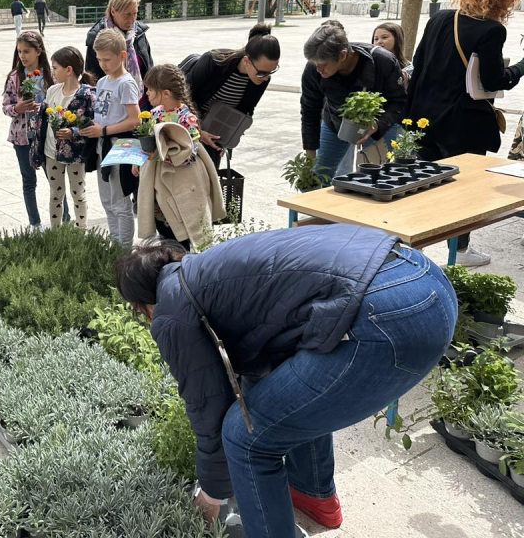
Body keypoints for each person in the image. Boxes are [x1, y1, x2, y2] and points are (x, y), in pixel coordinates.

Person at [115, 225, 457, 538]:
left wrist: (212, 492)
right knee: (288, 404)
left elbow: (208, 407)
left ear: (140, 304)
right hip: (425, 279)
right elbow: (260, 371)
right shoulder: (205, 269)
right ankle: (313, 498)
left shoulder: (172, 310)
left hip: (390, 315)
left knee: (244, 438)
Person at [406, 0, 524, 266]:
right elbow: (496, 80)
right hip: (462, 122)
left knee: (424, 182)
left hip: (424, 117)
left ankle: (413, 247)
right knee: (462, 190)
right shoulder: (492, 30)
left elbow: (418, 65)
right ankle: (458, 251)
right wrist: (521, 67)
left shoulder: (440, 18)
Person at [301, 22, 406, 182]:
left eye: (323, 65)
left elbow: (398, 101)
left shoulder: (382, 61)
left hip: (377, 124)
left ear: (343, 55)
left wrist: (378, 125)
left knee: (375, 180)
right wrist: (310, 156)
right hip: (335, 123)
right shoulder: (313, 69)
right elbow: (310, 110)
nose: (318, 70)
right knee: (316, 177)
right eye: (315, 64)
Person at [136, 64, 224, 248]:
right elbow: (149, 143)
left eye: (151, 90)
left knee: (183, 237)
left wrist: (160, 155)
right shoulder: (155, 114)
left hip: (183, 184)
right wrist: (140, 159)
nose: (147, 94)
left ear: (166, 93)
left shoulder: (186, 118)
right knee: (165, 236)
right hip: (160, 186)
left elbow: (189, 154)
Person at [185, 24, 280, 165]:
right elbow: (183, 97)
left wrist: (227, 138)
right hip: (186, 129)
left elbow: (245, 111)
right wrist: (197, 132)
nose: (265, 78)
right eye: (261, 72)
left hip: (214, 135)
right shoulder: (213, 61)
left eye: (271, 71)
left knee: (210, 182)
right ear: (247, 61)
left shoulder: (260, 81)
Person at [79, 29, 140, 247]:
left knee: (120, 202)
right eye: (99, 59)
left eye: (107, 59)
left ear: (122, 56)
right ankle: (114, 244)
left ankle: (124, 249)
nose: (103, 63)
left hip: (122, 146)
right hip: (102, 146)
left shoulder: (126, 83)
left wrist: (104, 131)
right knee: (107, 200)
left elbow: (135, 120)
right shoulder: (103, 82)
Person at [33, 46, 96, 229]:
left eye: (55, 68)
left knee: (78, 192)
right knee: (55, 193)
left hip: (75, 154)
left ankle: (81, 230)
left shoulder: (87, 95)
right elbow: (41, 123)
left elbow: (93, 124)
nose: (52, 72)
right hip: (51, 152)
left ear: (69, 70)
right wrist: (37, 151)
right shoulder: (52, 90)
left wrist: (74, 133)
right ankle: (55, 232)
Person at [2, 31, 53, 230]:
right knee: (28, 180)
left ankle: (63, 219)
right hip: (22, 136)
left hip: (46, 135)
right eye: (19, 52)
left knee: (55, 179)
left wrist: (46, 107)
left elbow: (59, 103)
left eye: (27, 51)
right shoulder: (15, 76)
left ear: (38, 51)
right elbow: (6, 106)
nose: (22, 56)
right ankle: (35, 224)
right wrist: (17, 108)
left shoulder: (50, 75)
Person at [84, 0, 154, 109]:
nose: (132, 20)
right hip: (114, 107)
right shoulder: (96, 37)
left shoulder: (139, 34)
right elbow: (92, 79)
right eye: (127, 15)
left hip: (143, 103)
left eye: (135, 13)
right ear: (113, 12)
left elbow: (149, 69)